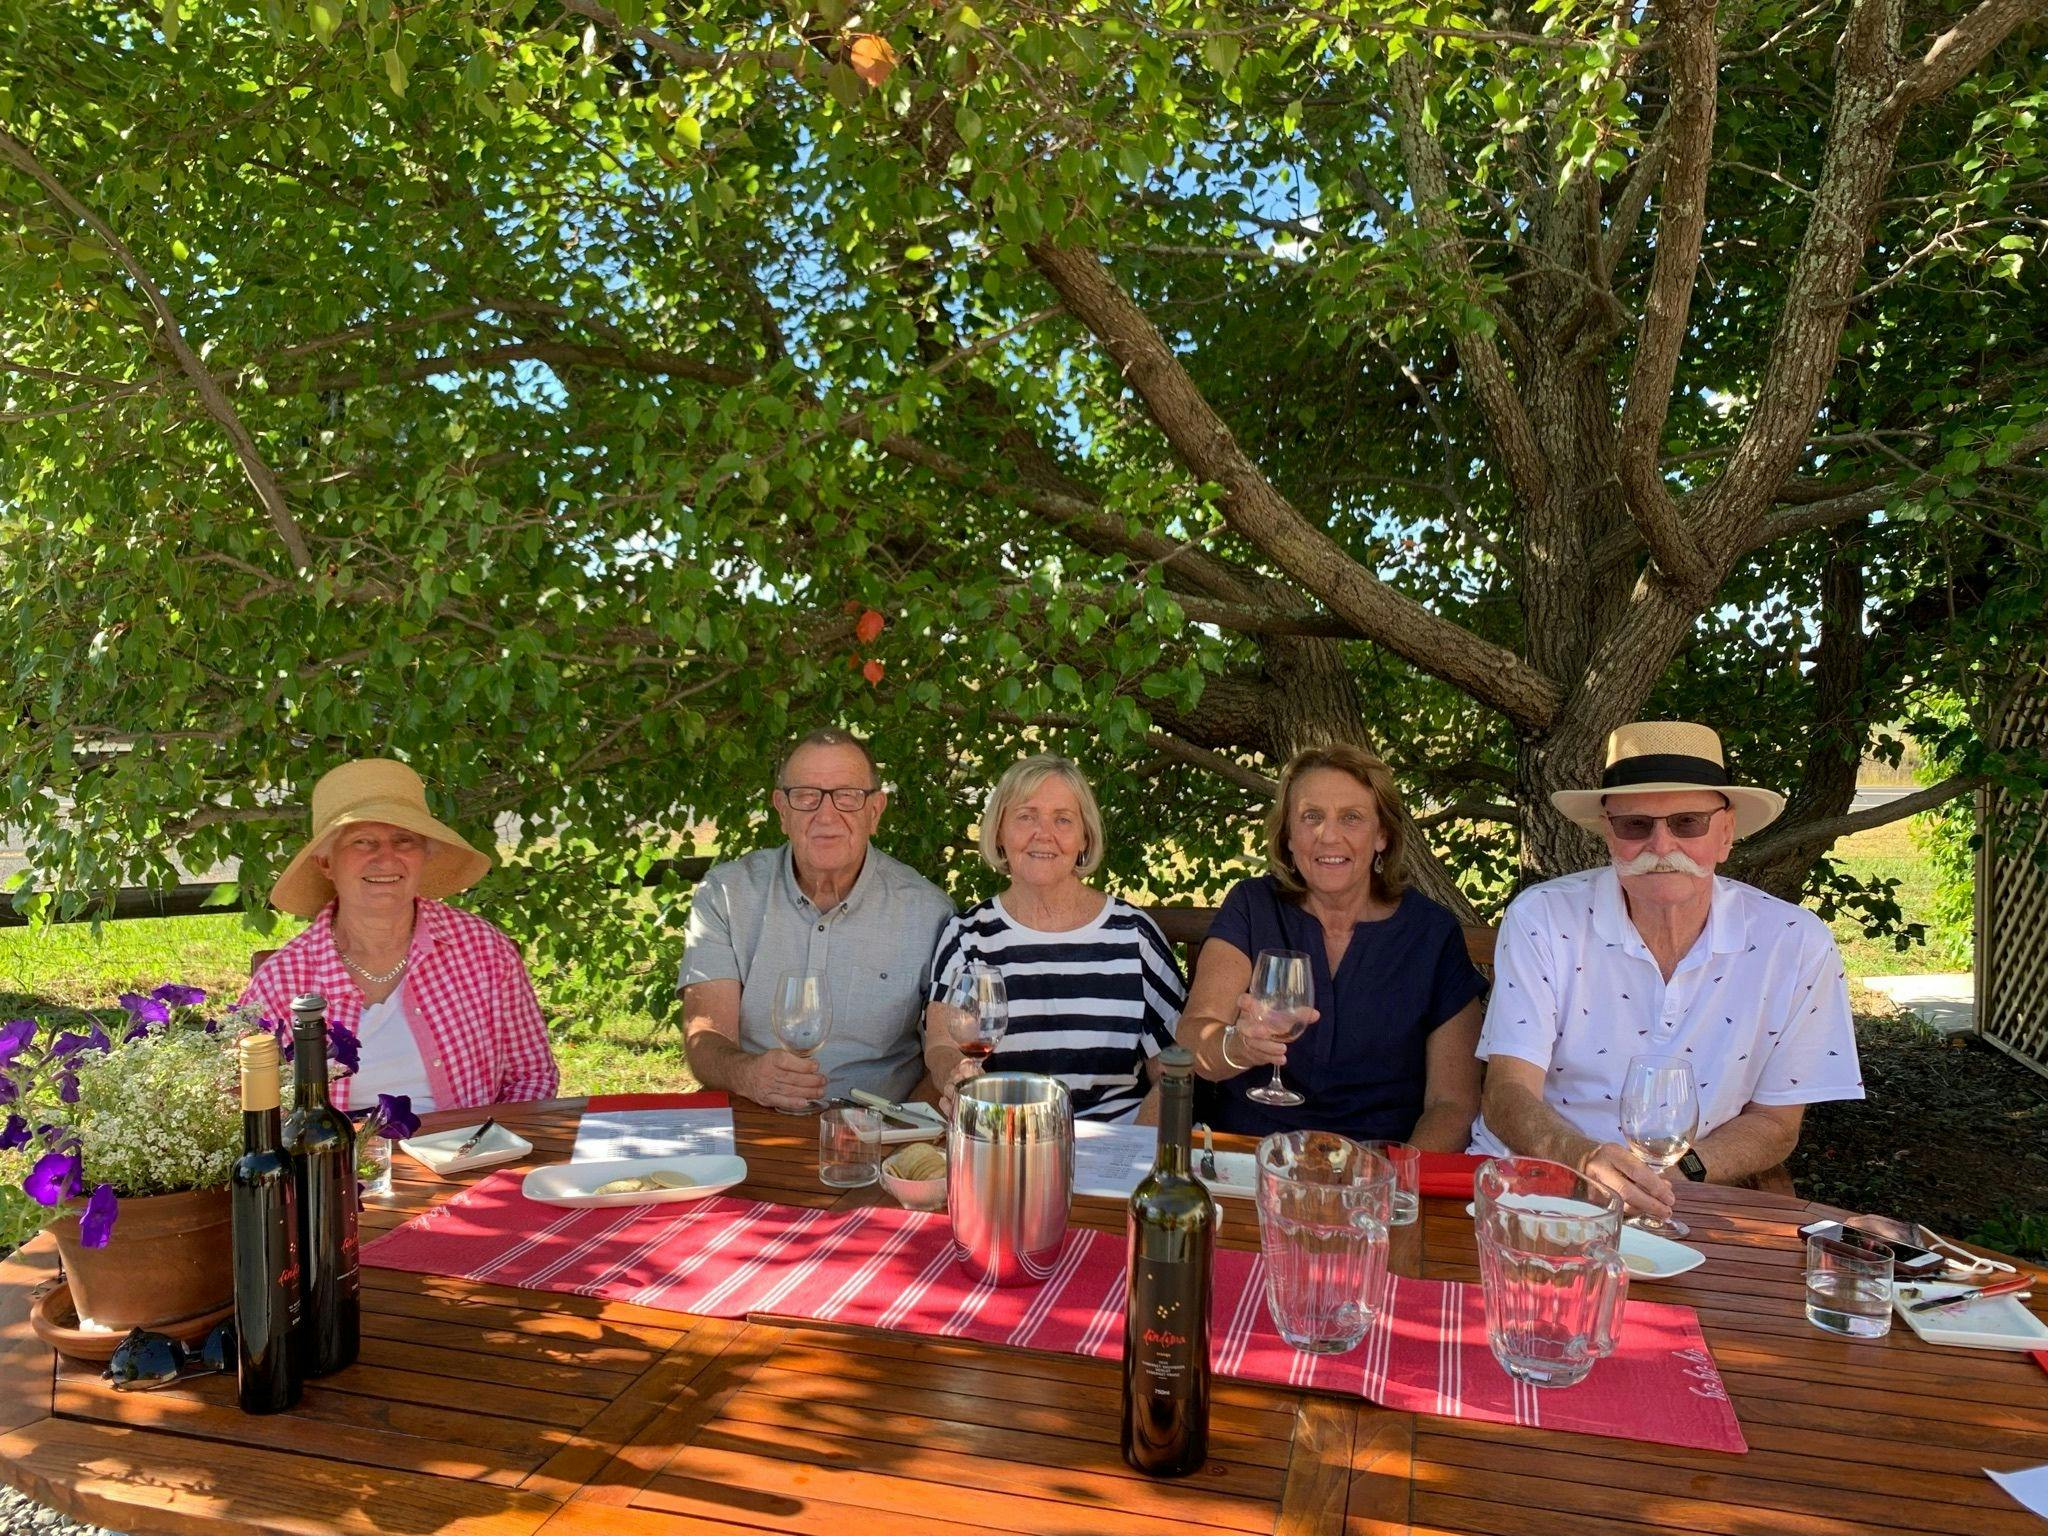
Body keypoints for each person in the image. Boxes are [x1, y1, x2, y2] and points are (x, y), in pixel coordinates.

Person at [1471, 720, 1864, 1220]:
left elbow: (1775, 1123)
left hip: (1687, 1194)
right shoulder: (1543, 917)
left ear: (1726, 833)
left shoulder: (1794, 941)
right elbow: (1507, 1091)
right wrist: (1586, 1161)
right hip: (1537, 1181)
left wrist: (1674, 1178)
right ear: (1609, 833)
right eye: (1636, 825)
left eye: (1687, 823)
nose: (1660, 846)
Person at [1176, 744, 1484, 1148]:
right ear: (1288, 836)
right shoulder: (1253, 907)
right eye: (1311, 817)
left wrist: (1394, 1178)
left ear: (1382, 835)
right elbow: (1194, 1036)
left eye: (1351, 817)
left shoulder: (1431, 934)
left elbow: (1452, 1104)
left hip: (1378, 1163)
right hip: (1252, 1155)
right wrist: (1238, 1046)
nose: (1329, 836)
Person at [241, 758, 559, 1113]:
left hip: (471, 1145)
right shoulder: (282, 980)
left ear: (424, 855)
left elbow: (531, 1075)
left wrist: (494, 1139)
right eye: (363, 841)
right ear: (326, 863)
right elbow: (239, 1097)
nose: (386, 857)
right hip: (335, 1149)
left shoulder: (483, 949)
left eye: (404, 840)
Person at [679, 727, 954, 1109]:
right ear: (782, 810)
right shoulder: (726, 894)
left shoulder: (930, 914)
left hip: (879, 1130)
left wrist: (899, 1130)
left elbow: (943, 1060)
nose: (826, 814)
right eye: (806, 796)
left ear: (875, 811)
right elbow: (705, 1037)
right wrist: (747, 1074)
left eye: (848, 796)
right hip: (754, 1119)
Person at [925, 755, 1184, 1121]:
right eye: (1026, 816)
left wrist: (1139, 1144)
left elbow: (1175, 1064)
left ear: (1084, 837)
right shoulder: (967, 936)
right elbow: (941, 1044)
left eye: (1062, 819)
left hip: (1117, 1140)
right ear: (998, 832)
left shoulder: (1133, 934)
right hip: (1007, 1138)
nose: (1043, 833)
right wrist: (955, 1076)